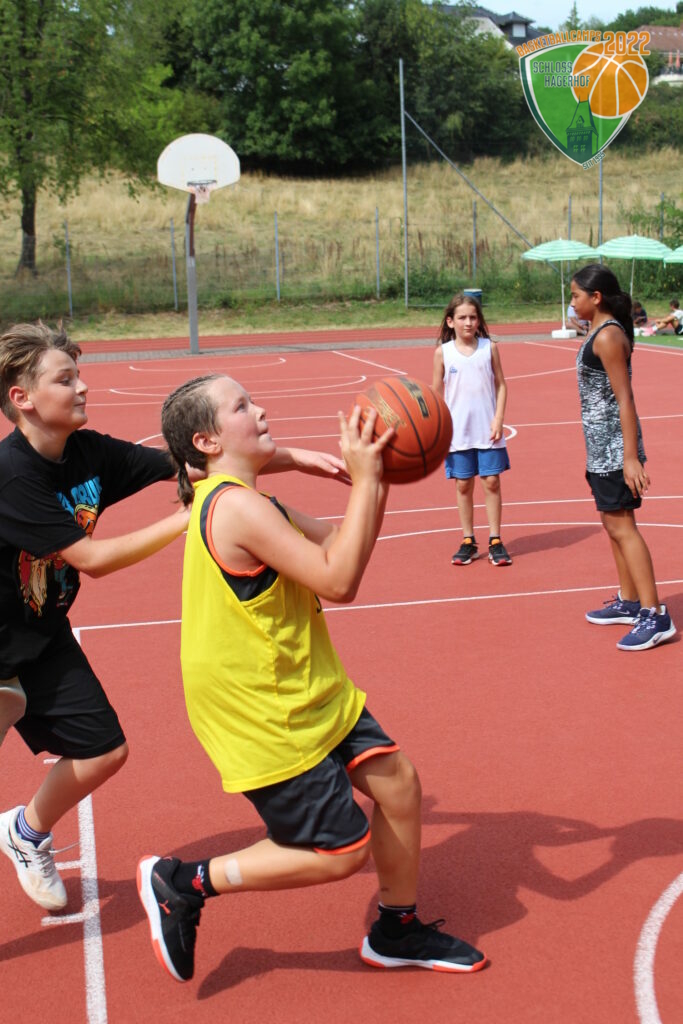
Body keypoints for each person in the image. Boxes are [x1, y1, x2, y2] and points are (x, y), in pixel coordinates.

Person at [136, 373, 487, 982]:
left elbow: (341, 544)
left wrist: (376, 479)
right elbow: (339, 581)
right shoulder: (235, 508)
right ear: (208, 441)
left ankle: (397, 931)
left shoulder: (255, 501)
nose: (260, 409)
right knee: (339, 852)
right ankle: (184, 883)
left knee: (399, 786)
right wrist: (369, 482)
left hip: (302, 682)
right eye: (241, 406)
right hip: (260, 706)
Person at [0, 322, 352, 913]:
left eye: (79, 375)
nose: (83, 387)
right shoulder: (12, 475)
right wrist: (192, 517)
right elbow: (93, 560)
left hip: (40, 633)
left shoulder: (88, 452)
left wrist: (296, 460)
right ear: (23, 398)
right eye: (65, 380)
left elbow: (193, 463)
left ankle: (25, 832)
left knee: (104, 752)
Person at [571, 265, 676, 651]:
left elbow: (625, 398)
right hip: (601, 449)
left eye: (576, 296)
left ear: (596, 297)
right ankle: (630, 601)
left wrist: (630, 458)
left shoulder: (608, 337)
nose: (572, 303)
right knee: (612, 524)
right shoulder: (597, 331)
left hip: (615, 450)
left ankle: (655, 614)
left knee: (623, 527)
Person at [432, 293, 512, 567]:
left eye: (473, 317)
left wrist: (498, 418)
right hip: (457, 431)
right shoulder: (443, 353)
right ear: (450, 321)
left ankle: (495, 540)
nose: (468, 322)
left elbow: (501, 385)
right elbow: (436, 393)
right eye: (462, 317)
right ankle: (468, 540)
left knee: (491, 482)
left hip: (487, 427)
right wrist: (436, 427)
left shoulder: (489, 348)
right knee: (463, 484)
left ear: (479, 321)